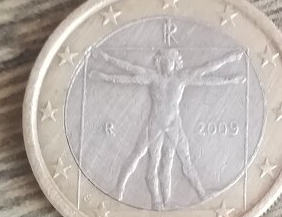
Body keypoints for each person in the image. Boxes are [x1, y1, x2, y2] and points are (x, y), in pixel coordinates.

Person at [93, 47, 244, 206]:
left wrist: (230, 70)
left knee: (179, 161)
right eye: (164, 61)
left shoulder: (182, 78)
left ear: (175, 63)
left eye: (170, 61)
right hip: (155, 124)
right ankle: (124, 191)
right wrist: (105, 64)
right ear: (159, 63)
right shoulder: (152, 77)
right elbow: (128, 72)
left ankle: (194, 195)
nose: (167, 64)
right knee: (145, 158)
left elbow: (206, 73)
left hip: (173, 125)